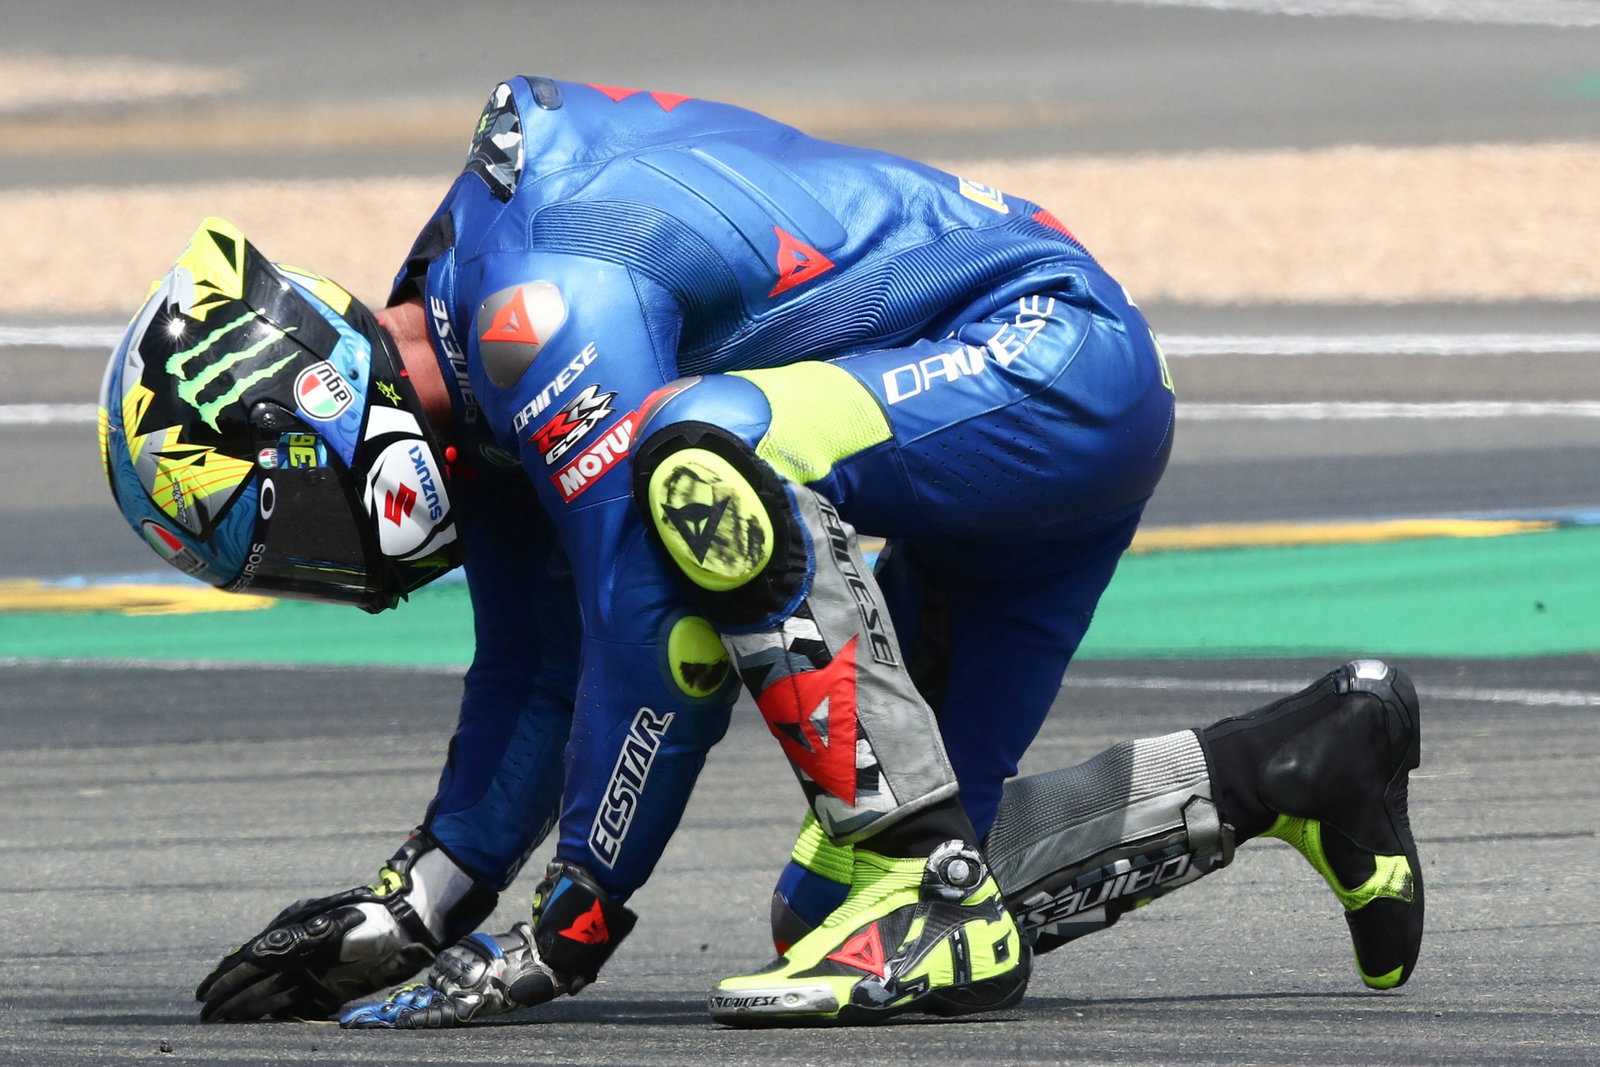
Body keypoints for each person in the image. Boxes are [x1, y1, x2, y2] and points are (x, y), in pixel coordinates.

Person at [97, 75, 1423, 1030]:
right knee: (834, 913)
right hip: (983, 430)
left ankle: (933, 883)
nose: (310, 568)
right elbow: (535, 665)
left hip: (1048, 356)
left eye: (280, 531)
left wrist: (575, 923)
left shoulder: (538, 309)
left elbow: (653, 631)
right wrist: (417, 904)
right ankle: (1297, 766)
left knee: (702, 455)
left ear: (316, 416)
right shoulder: (469, 357)